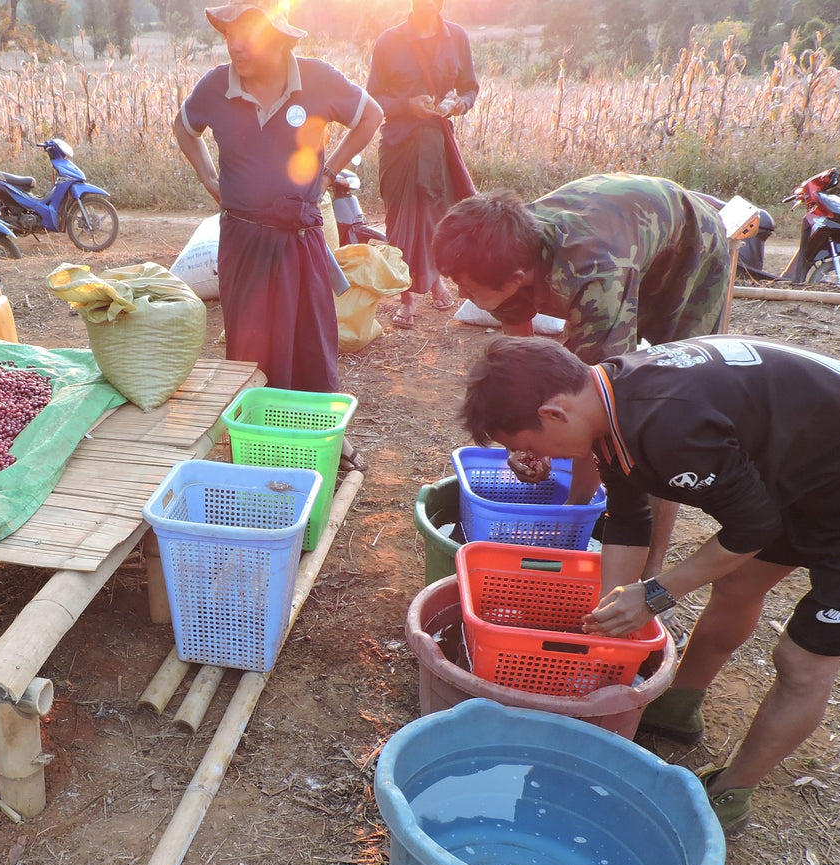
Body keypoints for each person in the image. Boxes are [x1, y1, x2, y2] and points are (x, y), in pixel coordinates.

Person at [459, 334, 840, 834]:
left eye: (526, 444)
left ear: (554, 413)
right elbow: (629, 517)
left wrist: (655, 594)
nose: (536, 456)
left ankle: (730, 793)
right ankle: (677, 707)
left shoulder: (668, 422)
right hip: (813, 478)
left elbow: (752, 529)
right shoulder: (609, 402)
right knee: (737, 584)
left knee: (801, 660)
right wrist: (606, 625)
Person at [434, 173, 732, 583]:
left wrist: (569, 513)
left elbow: (597, 409)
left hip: (688, 248)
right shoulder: (501, 251)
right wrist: (527, 441)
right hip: (620, 233)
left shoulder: (593, 277)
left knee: (663, 414)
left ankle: (650, 573)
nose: (460, 292)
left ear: (516, 277)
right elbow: (522, 363)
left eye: (464, 286)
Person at [173, 0, 383, 467]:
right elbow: (184, 129)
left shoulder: (318, 79)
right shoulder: (215, 87)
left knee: (312, 335)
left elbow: (371, 116)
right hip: (243, 239)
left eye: (248, 34)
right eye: (229, 34)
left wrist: (329, 171)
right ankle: (259, 440)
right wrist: (210, 179)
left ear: (279, 38)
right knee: (250, 341)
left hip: (299, 239)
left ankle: (327, 436)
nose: (235, 44)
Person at [367, 0, 477, 328]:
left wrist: (460, 104)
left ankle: (436, 280)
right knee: (400, 217)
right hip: (399, 142)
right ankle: (405, 296)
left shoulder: (456, 37)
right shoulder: (389, 41)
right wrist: (406, 105)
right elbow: (372, 97)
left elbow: (470, 87)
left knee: (436, 214)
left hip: (437, 141)